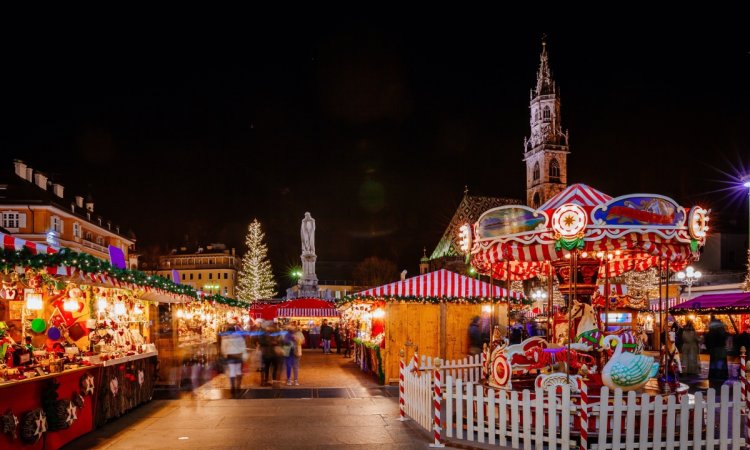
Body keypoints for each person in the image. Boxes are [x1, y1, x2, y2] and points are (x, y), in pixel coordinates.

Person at [220, 321, 246, 396]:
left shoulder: (225, 338)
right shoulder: (239, 337)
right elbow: (243, 347)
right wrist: (244, 354)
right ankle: (238, 387)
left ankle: (232, 388)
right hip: (238, 355)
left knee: (232, 371)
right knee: (238, 370)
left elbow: (223, 348)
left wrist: (224, 354)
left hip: (230, 356)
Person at [706, 315, 729, 381]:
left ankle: (714, 375)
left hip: (714, 349)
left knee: (714, 362)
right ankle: (722, 375)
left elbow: (707, 341)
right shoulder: (722, 332)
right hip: (721, 349)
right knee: (721, 362)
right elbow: (725, 337)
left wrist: (709, 348)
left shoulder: (711, 332)